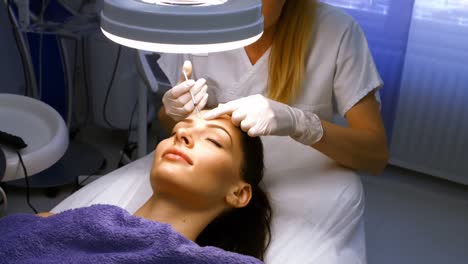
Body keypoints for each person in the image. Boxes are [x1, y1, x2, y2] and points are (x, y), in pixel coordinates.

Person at [0, 112, 272, 263]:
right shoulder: (63, 224)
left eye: (214, 140)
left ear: (239, 193)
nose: (182, 135)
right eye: (178, 129)